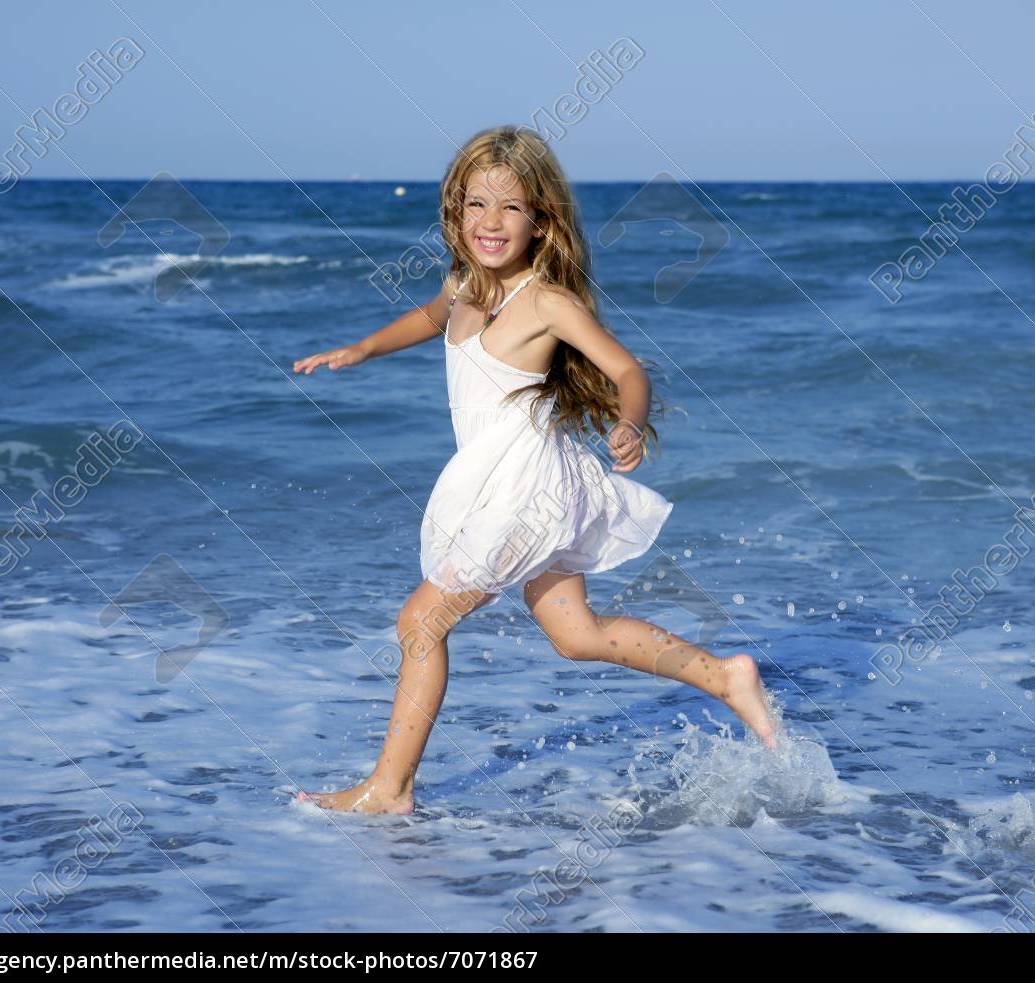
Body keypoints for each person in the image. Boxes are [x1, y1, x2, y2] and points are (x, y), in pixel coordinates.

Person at [290, 126, 782, 814]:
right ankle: (726, 676)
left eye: (511, 207)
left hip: (524, 486)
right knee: (576, 635)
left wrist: (630, 423)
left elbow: (626, 369)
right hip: (510, 480)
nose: (490, 222)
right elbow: (428, 318)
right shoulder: (462, 283)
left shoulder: (546, 302)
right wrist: (361, 349)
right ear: (455, 213)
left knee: (421, 624)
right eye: (475, 205)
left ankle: (390, 788)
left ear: (542, 220)